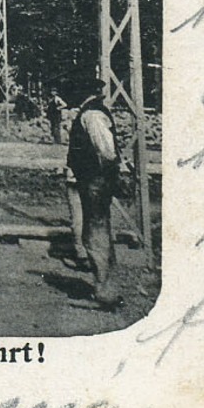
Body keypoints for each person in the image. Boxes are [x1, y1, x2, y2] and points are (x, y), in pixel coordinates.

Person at [67, 87, 122, 310]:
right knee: (97, 234)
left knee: (95, 236)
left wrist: (102, 176)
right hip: (95, 181)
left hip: (94, 182)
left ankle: (105, 294)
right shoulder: (93, 112)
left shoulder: (91, 115)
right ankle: (107, 289)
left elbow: (107, 151)